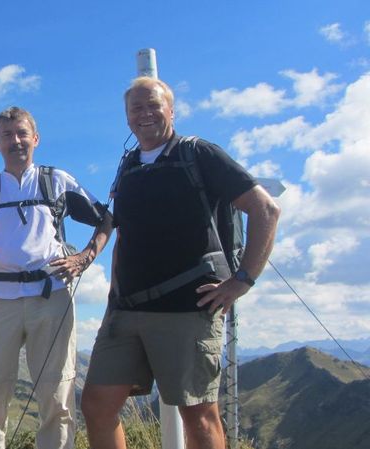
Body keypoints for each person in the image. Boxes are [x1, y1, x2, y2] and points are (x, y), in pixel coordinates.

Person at [81, 77, 281, 449]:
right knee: (96, 405)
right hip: (125, 311)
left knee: (199, 417)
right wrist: (112, 299)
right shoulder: (129, 166)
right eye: (136, 108)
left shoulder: (199, 154)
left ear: (171, 111)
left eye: (153, 105)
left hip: (188, 307)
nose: (145, 114)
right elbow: (125, 237)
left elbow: (265, 208)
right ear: (127, 118)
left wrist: (242, 280)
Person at [0, 106, 112, 449]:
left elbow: (105, 218)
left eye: (22, 133)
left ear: (36, 139)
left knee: (57, 394)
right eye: (7, 135)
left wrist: (84, 258)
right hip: (1, 300)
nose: (16, 141)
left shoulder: (57, 181)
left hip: (51, 295)